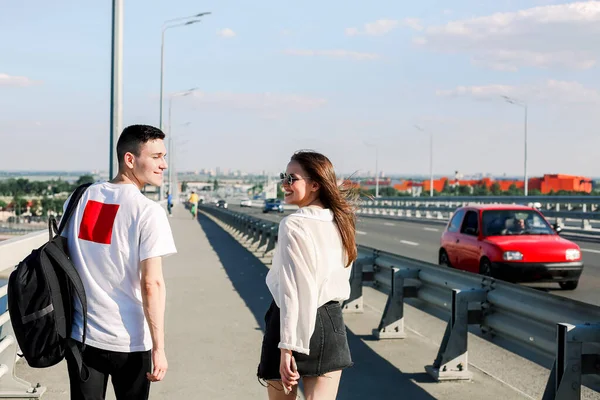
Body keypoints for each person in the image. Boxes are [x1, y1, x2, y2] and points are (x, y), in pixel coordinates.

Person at [61, 124, 177, 400]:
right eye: (157, 156)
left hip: (82, 336)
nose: (164, 165)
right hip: (130, 341)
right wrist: (159, 348)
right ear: (130, 159)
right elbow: (152, 284)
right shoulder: (148, 212)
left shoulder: (79, 197)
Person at [257, 150, 356, 400]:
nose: (284, 184)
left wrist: (287, 347)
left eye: (292, 178)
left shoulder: (294, 224)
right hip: (331, 323)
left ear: (314, 185)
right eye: (284, 177)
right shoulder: (341, 222)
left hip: (291, 323)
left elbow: (295, 291)